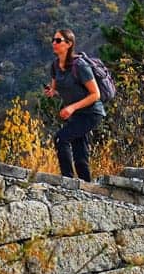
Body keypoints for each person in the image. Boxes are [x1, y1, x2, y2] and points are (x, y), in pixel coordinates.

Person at [43, 29, 105, 182]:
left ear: (69, 44)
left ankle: (67, 181)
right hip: (77, 114)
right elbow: (58, 89)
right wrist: (52, 92)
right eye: (53, 40)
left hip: (91, 113)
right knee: (79, 152)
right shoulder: (55, 66)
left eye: (58, 40)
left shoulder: (80, 66)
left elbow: (95, 94)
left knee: (60, 139)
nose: (54, 43)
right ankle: (86, 186)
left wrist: (71, 107)